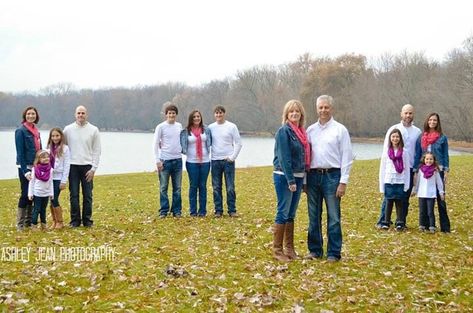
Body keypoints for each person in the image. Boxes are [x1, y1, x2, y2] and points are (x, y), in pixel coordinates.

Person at [305, 95, 353, 262]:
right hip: (313, 176)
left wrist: (343, 181)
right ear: (316, 109)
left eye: (326, 107)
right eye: (320, 107)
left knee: (333, 216)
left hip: (333, 176)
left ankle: (333, 252)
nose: (323, 110)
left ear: (331, 109)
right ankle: (315, 250)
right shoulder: (310, 131)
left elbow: (347, 157)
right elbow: (305, 157)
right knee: (313, 215)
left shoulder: (340, 130)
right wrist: (304, 180)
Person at [272, 100, 310, 262]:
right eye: (291, 112)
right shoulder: (284, 132)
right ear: (286, 114)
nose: (294, 114)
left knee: (291, 214)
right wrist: (290, 180)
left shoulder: (302, 133)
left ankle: (290, 248)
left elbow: (304, 158)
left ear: (301, 114)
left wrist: (303, 179)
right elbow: (284, 157)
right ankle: (277, 249)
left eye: (297, 111)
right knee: (283, 212)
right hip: (284, 176)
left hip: (300, 176)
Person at [376, 104, 421, 229]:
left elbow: (418, 151)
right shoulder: (394, 128)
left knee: (404, 198)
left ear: (413, 114)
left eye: (410, 113)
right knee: (388, 197)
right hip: (392, 169)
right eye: (406, 113)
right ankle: (383, 220)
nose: (408, 115)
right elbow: (386, 149)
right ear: (401, 114)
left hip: (409, 168)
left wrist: (417, 169)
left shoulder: (417, 132)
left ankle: (401, 222)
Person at [64, 105, 101, 227]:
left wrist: (93, 168)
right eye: (78, 113)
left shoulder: (94, 130)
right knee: (74, 194)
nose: (81, 115)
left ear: (87, 114)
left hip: (87, 167)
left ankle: (87, 220)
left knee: (88, 195)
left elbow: (97, 150)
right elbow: (63, 149)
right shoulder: (68, 130)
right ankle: (75, 220)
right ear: (75, 114)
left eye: (83, 113)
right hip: (73, 166)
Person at [414, 113, 450, 232]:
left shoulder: (442, 138)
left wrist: (446, 170)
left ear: (437, 122)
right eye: (430, 120)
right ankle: (424, 225)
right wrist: (415, 169)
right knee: (424, 196)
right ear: (427, 121)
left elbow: (445, 154)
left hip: (437, 170)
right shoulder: (421, 137)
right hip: (424, 170)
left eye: (435, 120)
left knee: (441, 197)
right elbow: (417, 154)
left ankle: (445, 227)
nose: (432, 122)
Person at [209, 105, 242, 218]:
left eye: (221, 113)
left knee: (230, 187)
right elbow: (205, 142)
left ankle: (232, 210)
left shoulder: (231, 126)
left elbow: (238, 143)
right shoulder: (210, 128)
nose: (219, 115)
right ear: (214, 115)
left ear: (224, 113)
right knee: (216, 187)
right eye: (217, 113)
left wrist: (232, 157)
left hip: (228, 161)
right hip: (215, 161)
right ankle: (218, 210)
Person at [153, 103, 183, 218]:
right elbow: (155, 144)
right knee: (163, 187)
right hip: (165, 161)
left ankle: (176, 211)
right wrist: (157, 160)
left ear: (176, 115)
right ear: (166, 115)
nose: (171, 115)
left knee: (177, 188)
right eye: (169, 113)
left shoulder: (179, 126)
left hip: (177, 161)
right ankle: (164, 211)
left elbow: (182, 140)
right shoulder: (160, 127)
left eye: (173, 113)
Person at [15, 106, 42, 230]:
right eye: (28, 114)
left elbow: (39, 150)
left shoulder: (36, 131)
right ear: (25, 116)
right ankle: (20, 224)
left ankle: (28, 221)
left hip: (35, 167)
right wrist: (25, 171)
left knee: (33, 194)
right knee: (25, 194)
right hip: (25, 167)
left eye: (33, 114)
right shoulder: (20, 131)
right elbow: (20, 153)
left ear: (36, 116)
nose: (31, 116)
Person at [180, 110, 212, 217]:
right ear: (191, 118)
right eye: (194, 117)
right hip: (191, 162)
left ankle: (202, 211)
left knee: (203, 186)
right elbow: (179, 143)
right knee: (193, 186)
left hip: (205, 162)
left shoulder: (206, 129)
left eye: (198, 116)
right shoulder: (186, 131)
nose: (197, 118)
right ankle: (193, 211)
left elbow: (213, 142)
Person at [378, 129, 410, 230]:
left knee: (399, 201)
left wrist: (406, 184)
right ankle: (386, 222)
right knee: (389, 201)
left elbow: (407, 169)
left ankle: (400, 222)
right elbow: (382, 169)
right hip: (389, 180)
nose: (395, 139)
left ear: (400, 138)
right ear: (390, 138)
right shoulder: (386, 152)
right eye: (393, 137)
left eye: (397, 137)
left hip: (400, 180)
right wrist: (381, 185)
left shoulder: (404, 152)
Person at [412, 152, 445, 233]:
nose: (429, 161)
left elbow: (439, 182)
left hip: (431, 194)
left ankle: (432, 226)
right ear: (424, 160)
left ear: (433, 160)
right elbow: (418, 182)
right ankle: (421, 225)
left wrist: (441, 192)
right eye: (427, 159)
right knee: (422, 211)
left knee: (430, 211)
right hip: (422, 194)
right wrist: (414, 191)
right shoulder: (420, 170)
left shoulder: (435, 171)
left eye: (431, 159)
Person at [47, 127, 70, 229]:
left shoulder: (65, 148)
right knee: (50, 199)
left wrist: (63, 181)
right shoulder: (48, 148)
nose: (55, 138)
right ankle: (54, 221)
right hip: (49, 178)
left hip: (59, 178)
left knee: (54, 198)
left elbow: (66, 165)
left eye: (57, 135)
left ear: (61, 136)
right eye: (53, 136)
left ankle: (60, 221)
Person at [28, 150, 54, 230]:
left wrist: (51, 193)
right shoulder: (35, 169)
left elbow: (50, 182)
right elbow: (32, 182)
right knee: (36, 209)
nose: (46, 159)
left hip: (45, 193)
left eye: (47, 157)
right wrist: (30, 193)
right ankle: (34, 225)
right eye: (43, 157)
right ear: (38, 159)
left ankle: (43, 225)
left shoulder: (50, 170)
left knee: (43, 210)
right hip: (37, 193)